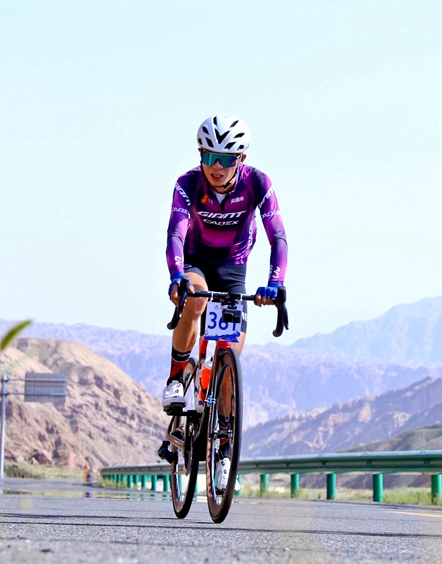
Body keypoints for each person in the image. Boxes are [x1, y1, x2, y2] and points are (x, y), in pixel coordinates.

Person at [158, 115, 288, 488]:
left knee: (228, 357)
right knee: (195, 300)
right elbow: (175, 232)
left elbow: (278, 236)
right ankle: (176, 379)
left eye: (226, 159)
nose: (216, 166)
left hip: (234, 268)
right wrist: (177, 276)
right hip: (196, 262)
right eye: (209, 156)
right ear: (200, 154)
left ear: (241, 159)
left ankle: (224, 449)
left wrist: (274, 284)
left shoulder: (258, 183)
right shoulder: (188, 183)